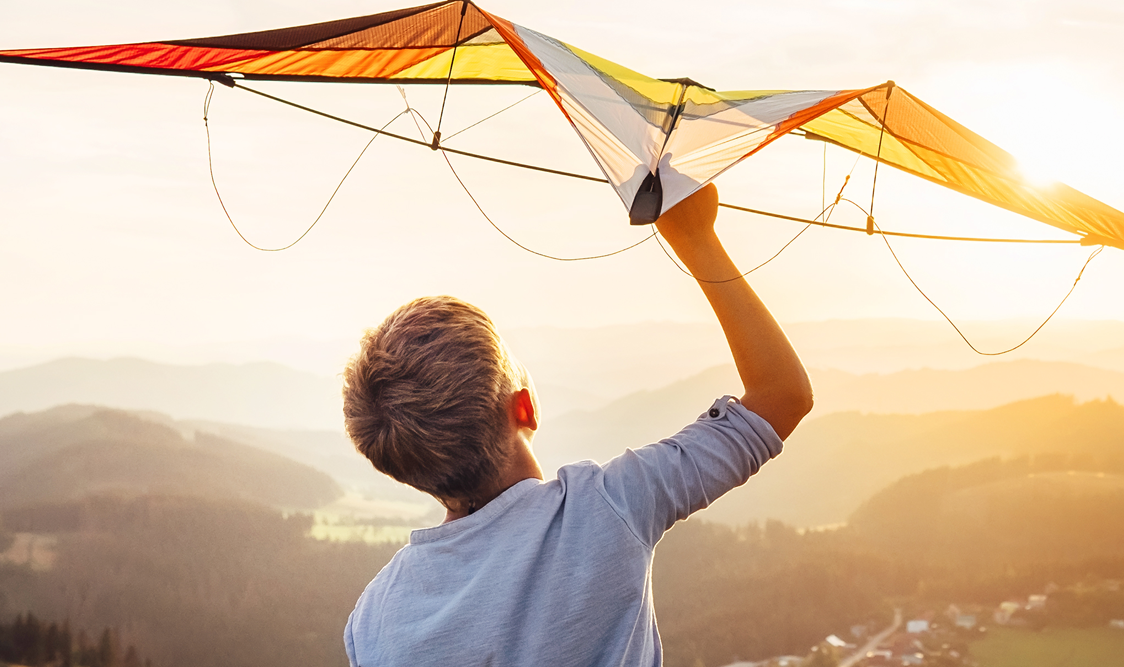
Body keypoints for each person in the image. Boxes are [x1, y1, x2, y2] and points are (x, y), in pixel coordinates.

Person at [340, 183, 813, 667]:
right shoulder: (607, 508)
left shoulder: (374, 619)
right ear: (525, 408)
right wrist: (696, 237)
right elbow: (783, 394)